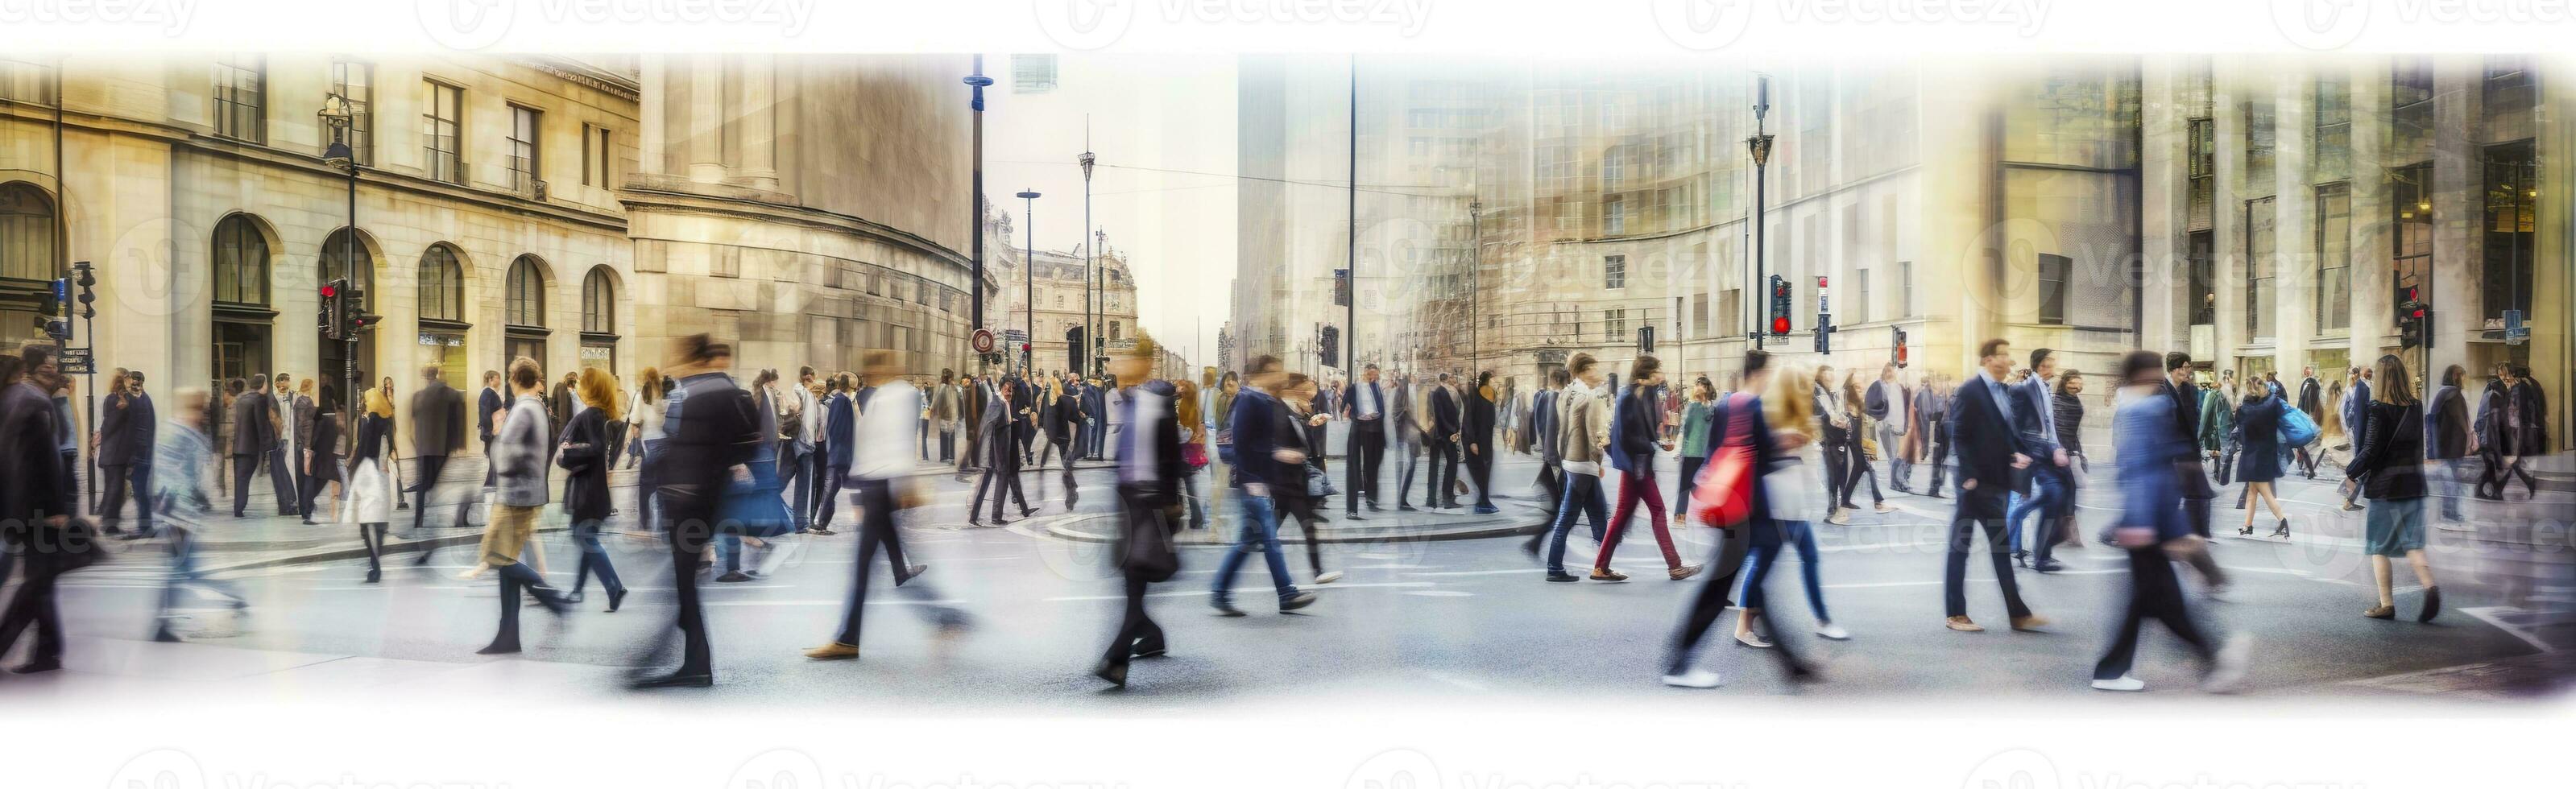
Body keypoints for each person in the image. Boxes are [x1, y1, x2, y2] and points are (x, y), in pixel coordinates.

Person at [2092, 350, 2249, 692]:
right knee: (2163, 601)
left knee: (2147, 601)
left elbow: (2140, 471)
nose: (2158, 378)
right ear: (2143, 375)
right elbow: (2143, 472)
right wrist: (2144, 522)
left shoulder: (2138, 410)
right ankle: (2214, 659)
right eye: (2154, 372)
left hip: (2147, 520)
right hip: (2148, 521)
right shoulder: (2143, 412)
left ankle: (2111, 670)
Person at [1663, 348, 1811, 688]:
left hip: (1732, 507)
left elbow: (1715, 453)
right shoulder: (1755, 407)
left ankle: (1792, 665)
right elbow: (1768, 457)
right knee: (1721, 591)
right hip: (1746, 512)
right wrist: (1787, 442)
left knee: (1743, 586)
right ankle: (1678, 664)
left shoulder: (1728, 405)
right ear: (1762, 374)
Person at [804, 350, 963, 662]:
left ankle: (849, 639)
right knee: (884, 565)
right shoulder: (882, 396)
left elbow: (896, 444)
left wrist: (897, 488)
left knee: (863, 566)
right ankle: (946, 619)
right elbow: (873, 443)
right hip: (877, 486)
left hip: (882, 486)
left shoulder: (898, 395)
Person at [632, 335, 759, 689]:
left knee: (681, 585)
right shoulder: (725, 392)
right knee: (682, 584)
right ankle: (694, 664)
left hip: (688, 500)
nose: (673, 363)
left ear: (694, 359)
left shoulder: (695, 393)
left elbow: (678, 448)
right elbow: (747, 445)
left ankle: (673, 664)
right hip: (700, 499)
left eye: (678, 357)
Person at [1737, 361, 1847, 646]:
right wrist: (1781, 445)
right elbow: (1757, 457)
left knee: (1771, 564)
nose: (1807, 391)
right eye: (1803, 386)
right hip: (1777, 505)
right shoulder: (1769, 415)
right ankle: (1820, 619)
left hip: (1792, 504)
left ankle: (1746, 623)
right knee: (1774, 564)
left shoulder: (1796, 416)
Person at [1095, 337, 1184, 687]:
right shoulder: (1127, 401)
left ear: (1145, 363)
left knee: (1134, 585)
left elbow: (1171, 456)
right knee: (1132, 585)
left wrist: (1173, 502)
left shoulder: (1158, 403)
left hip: (1152, 503)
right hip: (1129, 503)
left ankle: (1116, 661)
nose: (1120, 364)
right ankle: (1153, 637)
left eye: (1127, 358)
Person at [1941, 339, 2046, 634]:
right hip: (1973, 485)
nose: (2007, 360)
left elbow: (2002, 432)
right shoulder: (1972, 390)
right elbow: (1959, 433)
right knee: (1959, 548)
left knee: (2000, 549)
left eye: (2007, 355)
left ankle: (2018, 614)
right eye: (2001, 355)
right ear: (1987, 360)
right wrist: (1969, 476)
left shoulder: (2003, 391)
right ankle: (1956, 614)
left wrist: (2018, 452)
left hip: (1993, 483)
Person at [475, 357, 573, 655]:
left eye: (509, 376)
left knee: (498, 557)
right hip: (527, 491)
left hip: (515, 493)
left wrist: (496, 440)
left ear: (515, 377)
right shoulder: (536, 408)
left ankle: (554, 600)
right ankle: (508, 635)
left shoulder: (524, 408)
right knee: (506, 564)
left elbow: (506, 453)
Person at [1208, 355, 1319, 615]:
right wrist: (1256, 475)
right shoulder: (1249, 399)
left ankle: (1220, 592)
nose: (1279, 376)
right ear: (1259, 375)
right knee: (1269, 538)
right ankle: (1287, 593)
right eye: (1274, 372)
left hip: (1258, 481)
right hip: (1251, 482)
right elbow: (1242, 443)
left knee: (1247, 541)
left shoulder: (1264, 400)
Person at [143, 385, 251, 642]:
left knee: (185, 570)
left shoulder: (179, 431)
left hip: (178, 513)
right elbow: (173, 475)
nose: (203, 412)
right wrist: (181, 511)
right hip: (178, 514)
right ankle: (231, 599)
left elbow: (172, 474)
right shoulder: (183, 434)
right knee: (183, 570)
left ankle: (164, 623)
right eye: (199, 407)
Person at [0, 344, 80, 671]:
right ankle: (43, 650)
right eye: (49, 367)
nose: (55, 372)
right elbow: (48, 461)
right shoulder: (33, 401)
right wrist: (56, 508)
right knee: (38, 580)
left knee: (39, 579)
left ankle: (47, 650)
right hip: (36, 508)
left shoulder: (16, 400)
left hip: (22, 505)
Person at [2347, 354, 2440, 622]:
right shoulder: (2416, 406)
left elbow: (2372, 448)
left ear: (2381, 378)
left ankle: (2386, 604)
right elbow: (2418, 448)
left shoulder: (2378, 408)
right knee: (2413, 544)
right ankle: (2430, 587)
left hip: (2386, 487)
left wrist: (2351, 471)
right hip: (2413, 483)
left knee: (2379, 546)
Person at [1593, 355, 1700, 581]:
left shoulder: (1647, 395)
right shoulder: (1628, 397)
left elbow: (1647, 428)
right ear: (1647, 373)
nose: (1662, 373)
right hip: (1637, 466)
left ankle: (1600, 567)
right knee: (1658, 512)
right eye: (1658, 370)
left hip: (1640, 464)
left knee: (1621, 515)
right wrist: (1648, 448)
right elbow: (1626, 435)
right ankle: (1675, 565)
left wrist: (1660, 442)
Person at [557, 366, 627, 612]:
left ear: (590, 388)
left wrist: (569, 449)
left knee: (584, 537)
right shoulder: (606, 415)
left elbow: (593, 448)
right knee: (587, 539)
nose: (578, 387)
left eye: (582, 384)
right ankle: (579, 590)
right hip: (597, 489)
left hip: (586, 489)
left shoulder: (591, 415)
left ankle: (615, 586)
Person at [1540, 353, 1613, 582]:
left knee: (1599, 514)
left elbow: (1561, 429)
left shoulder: (1567, 393)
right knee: (1566, 518)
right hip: (1584, 462)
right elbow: (1595, 435)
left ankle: (1602, 566)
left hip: (1572, 461)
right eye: (1594, 368)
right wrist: (1599, 459)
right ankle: (1554, 568)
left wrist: (1562, 457)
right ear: (1584, 370)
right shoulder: (1589, 397)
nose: (1598, 372)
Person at [2002, 349, 2070, 572]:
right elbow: (2013, 422)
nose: (2054, 366)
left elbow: (2048, 423)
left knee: (2054, 496)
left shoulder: (2045, 388)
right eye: (2050, 362)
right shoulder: (2022, 389)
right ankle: (2038, 554)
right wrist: (2018, 451)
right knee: (2051, 494)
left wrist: (2057, 446)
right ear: (2040, 365)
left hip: (2047, 451)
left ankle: (2042, 554)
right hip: (2033, 452)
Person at [1274, 374, 1341, 585]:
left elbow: (1304, 443)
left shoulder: (1297, 410)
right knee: (1299, 525)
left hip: (1295, 479)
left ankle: (1318, 571)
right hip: (1283, 480)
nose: (1310, 394)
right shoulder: (1279, 409)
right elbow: (1273, 440)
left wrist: (1311, 422)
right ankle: (1316, 572)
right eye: (1306, 388)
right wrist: (1282, 453)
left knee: (1302, 524)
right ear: (1295, 389)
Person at [404, 367, 468, 535]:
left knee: (426, 483)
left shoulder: (419, 396)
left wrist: (415, 443)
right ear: (438, 375)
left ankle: (419, 520)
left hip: (424, 447)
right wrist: (458, 444)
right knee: (429, 483)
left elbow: (411, 426)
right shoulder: (451, 394)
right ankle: (422, 515)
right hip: (441, 447)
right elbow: (458, 422)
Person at [969, 378, 1037, 526]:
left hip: (1001, 450)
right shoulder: (997, 402)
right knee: (998, 481)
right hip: (995, 451)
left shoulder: (1005, 403)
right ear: (1001, 388)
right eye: (1007, 389)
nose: (1009, 392)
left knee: (992, 483)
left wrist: (1010, 422)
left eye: (1011, 389)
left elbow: (1003, 422)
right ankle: (994, 517)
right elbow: (989, 425)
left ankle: (977, 517)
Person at [345, 387, 395, 584]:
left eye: (365, 399)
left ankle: (374, 563)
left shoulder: (370, 420)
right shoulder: (388, 421)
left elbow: (364, 448)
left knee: (366, 523)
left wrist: (353, 467)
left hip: (368, 474)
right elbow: (390, 449)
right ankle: (376, 561)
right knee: (380, 523)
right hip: (382, 476)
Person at [100, 370, 158, 539]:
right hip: (136, 452)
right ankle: (141, 526)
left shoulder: (134, 400)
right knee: (131, 490)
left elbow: (115, 427)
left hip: (136, 452)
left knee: (137, 490)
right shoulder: (143, 399)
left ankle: (144, 527)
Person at [2232, 384, 2291, 538]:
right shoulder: (2270, 406)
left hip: (2253, 455)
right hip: (2266, 453)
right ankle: (2247, 525)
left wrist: (2237, 409)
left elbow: (2239, 425)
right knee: (2252, 492)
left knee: (2265, 492)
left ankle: (2282, 520)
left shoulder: (2246, 409)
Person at [2425, 365, 2473, 523]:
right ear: (2456, 376)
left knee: (2449, 480)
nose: (2464, 380)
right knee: (2452, 481)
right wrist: (2468, 439)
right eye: (2463, 376)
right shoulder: (2453, 395)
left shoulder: (2442, 393)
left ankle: (2449, 510)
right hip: (2452, 446)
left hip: (2445, 445)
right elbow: (2461, 422)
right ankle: (2451, 511)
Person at [1341, 364, 1389, 517]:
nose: (1374, 378)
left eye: (1375, 375)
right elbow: (1344, 407)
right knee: (1354, 466)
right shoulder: (1355, 388)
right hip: (1359, 427)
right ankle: (1352, 509)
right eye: (1371, 375)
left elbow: (1382, 409)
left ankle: (1371, 498)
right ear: (1365, 373)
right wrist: (1348, 411)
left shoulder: (1377, 388)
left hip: (1375, 429)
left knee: (1373, 464)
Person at [812, 373, 856, 535]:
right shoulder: (841, 401)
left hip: (841, 454)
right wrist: (838, 448)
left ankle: (822, 522)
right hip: (838, 454)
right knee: (830, 489)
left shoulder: (844, 400)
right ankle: (819, 522)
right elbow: (835, 427)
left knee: (832, 489)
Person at [1675, 378, 1717, 524]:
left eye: (1698, 385)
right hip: (1697, 453)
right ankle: (1681, 516)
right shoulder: (1708, 408)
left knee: (1686, 485)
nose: (1696, 388)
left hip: (1694, 452)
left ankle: (1680, 517)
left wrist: (1678, 451)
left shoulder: (1699, 407)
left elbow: (1684, 429)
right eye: (1696, 385)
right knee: (1689, 484)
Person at [1866, 363, 1911, 494]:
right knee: (1893, 455)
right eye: (1887, 371)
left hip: (1899, 426)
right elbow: (1869, 403)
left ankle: (1898, 482)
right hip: (1886, 425)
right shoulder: (1879, 385)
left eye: (1891, 371)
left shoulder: (1899, 387)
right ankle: (1896, 483)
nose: (1889, 373)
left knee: (1897, 455)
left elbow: (1903, 406)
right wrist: (1879, 416)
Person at [1039, 375, 1083, 508]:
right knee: (1065, 465)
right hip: (1063, 436)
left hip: (1051, 436)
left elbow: (1041, 417)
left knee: (1061, 463)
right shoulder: (1064, 400)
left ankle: (1070, 488)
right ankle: (1071, 493)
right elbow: (1075, 417)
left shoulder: (1046, 399)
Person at [303, 394, 344, 527]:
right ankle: (316, 513)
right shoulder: (333, 422)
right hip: (328, 459)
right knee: (322, 485)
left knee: (316, 487)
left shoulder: (322, 422)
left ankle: (310, 512)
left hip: (321, 459)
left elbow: (315, 440)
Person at [1463, 370, 1500, 514]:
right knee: (1481, 470)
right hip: (1477, 440)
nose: (1495, 383)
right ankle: (1483, 502)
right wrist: (1472, 441)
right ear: (1487, 381)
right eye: (1492, 380)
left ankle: (1485, 500)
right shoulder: (1474, 397)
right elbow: (1468, 420)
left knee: (1486, 469)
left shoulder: (1488, 396)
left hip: (1486, 439)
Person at [2338, 366, 2373, 512]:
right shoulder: (2357, 389)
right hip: (2358, 433)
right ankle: (2349, 497)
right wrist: (2348, 430)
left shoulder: (2363, 387)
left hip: (2360, 433)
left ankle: (2350, 497)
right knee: (2362, 466)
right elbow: (2346, 413)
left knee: (2364, 467)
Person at [1915, 374, 1952, 498]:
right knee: (1938, 459)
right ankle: (1934, 487)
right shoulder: (1927, 393)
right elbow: (1927, 413)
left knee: (1943, 459)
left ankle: (1937, 486)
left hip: (1945, 427)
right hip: (1938, 427)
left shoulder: (1947, 392)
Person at [290, 378, 320, 519]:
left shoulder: (300, 402)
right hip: (305, 445)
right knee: (307, 477)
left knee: (303, 477)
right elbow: (304, 426)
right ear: (310, 387)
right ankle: (306, 508)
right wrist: (308, 447)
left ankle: (304, 507)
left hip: (301, 444)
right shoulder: (305, 403)